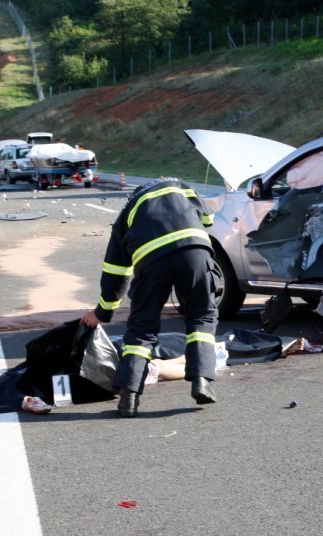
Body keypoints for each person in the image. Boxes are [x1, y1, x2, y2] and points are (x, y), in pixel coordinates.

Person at [80, 177, 219, 417]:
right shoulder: (183, 188)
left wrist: (103, 312)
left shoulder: (129, 210)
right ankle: (201, 381)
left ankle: (128, 397)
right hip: (194, 255)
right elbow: (208, 219)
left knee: (142, 330)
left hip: (152, 264)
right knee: (202, 318)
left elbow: (116, 270)